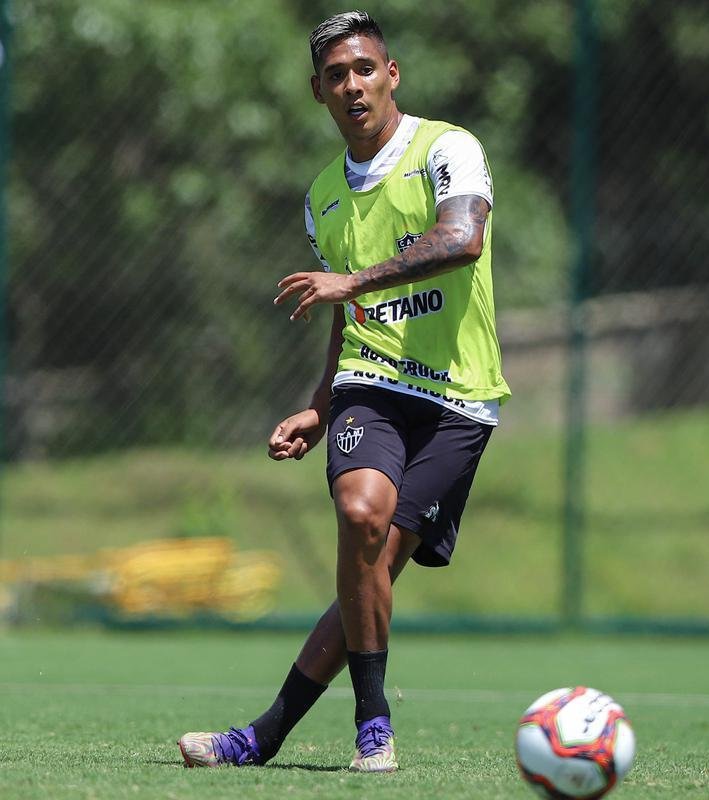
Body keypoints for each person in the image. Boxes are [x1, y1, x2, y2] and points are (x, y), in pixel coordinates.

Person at [178, 10, 509, 772]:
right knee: (360, 514)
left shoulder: (447, 149)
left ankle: (261, 737)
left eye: (364, 68)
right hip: (373, 383)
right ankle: (373, 724)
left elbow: (462, 241)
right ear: (318, 94)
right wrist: (322, 407)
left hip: (461, 399)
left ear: (391, 75)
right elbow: (343, 314)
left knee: (374, 574)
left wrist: (353, 279)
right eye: (335, 76)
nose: (352, 84)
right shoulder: (322, 197)